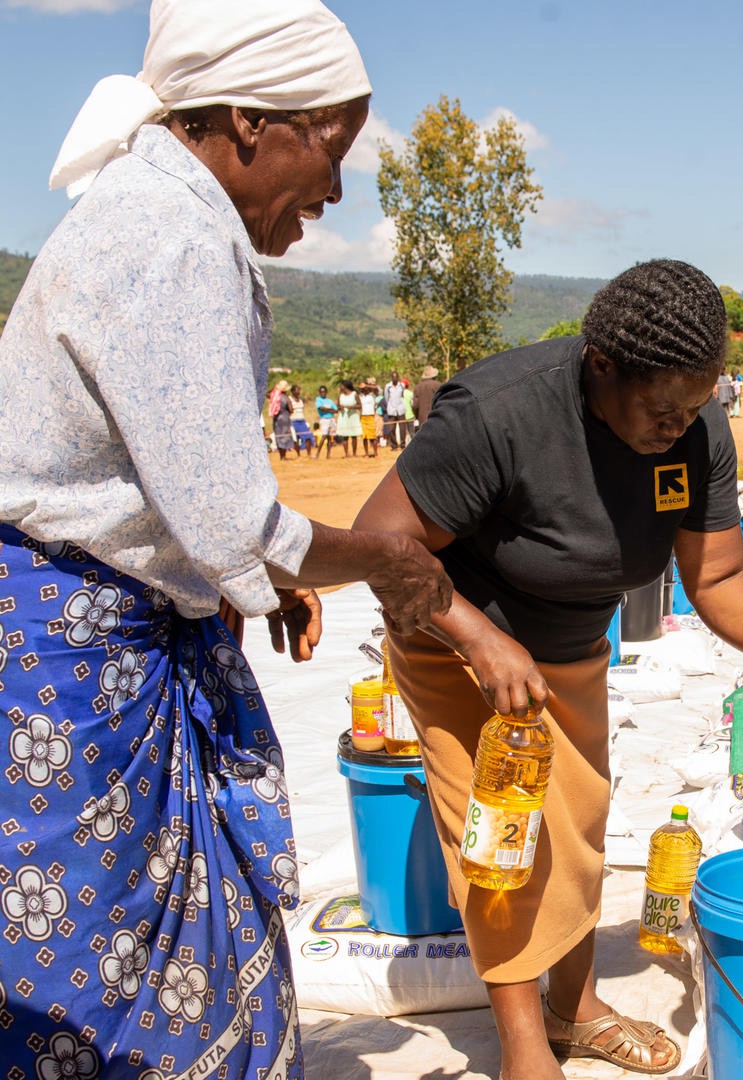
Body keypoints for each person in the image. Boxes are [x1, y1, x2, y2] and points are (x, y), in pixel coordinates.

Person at [0, 3, 454, 1075]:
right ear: (250, 120)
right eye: (331, 150)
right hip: (77, 672)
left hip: (106, 636)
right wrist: (376, 562)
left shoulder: (161, 215)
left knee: (161, 946)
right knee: (110, 976)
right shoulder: (169, 238)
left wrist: (258, 578)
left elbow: (190, 503)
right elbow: (234, 524)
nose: (336, 192)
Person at [353, 259, 743, 1080]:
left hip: (572, 646)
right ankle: (525, 1046)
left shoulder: (695, 434)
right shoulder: (500, 413)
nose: (680, 426)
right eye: (662, 408)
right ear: (602, 365)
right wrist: (481, 641)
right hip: (457, 641)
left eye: (695, 407)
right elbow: (380, 546)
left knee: (579, 826)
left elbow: (721, 579)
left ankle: (574, 1006)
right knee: (504, 836)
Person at [270, 377, 295, 458]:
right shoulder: (286, 398)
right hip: (285, 418)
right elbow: (291, 409)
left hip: (276, 418)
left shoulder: (275, 397)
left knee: (278, 435)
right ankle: (284, 456)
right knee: (285, 435)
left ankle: (281, 456)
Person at [336, 377, 361, 454]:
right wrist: (341, 408)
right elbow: (338, 406)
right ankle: (346, 453)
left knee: (354, 436)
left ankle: (354, 453)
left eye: (341, 385)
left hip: (353, 416)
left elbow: (359, 405)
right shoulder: (340, 396)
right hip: (344, 417)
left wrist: (351, 407)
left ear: (345, 386)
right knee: (345, 436)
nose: (340, 387)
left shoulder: (354, 395)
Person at [384, 368, 407, 450]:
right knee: (391, 428)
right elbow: (386, 398)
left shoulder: (402, 386)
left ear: (398, 377)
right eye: (393, 377)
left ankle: (403, 444)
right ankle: (394, 445)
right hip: (391, 410)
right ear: (391, 378)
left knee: (402, 428)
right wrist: (390, 405)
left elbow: (403, 396)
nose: (394, 378)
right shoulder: (388, 387)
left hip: (400, 409)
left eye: (396, 377)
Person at [315, 382, 338, 458]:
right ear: (319, 392)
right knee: (324, 436)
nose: (323, 393)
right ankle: (317, 454)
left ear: (326, 392)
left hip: (331, 419)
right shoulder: (318, 399)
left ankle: (328, 454)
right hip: (324, 419)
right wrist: (330, 410)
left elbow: (336, 410)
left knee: (330, 437)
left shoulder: (330, 401)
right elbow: (322, 409)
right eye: (321, 392)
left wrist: (327, 410)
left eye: (324, 392)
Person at [289, 382, 313, 453]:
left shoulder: (300, 400)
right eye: (297, 390)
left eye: (299, 390)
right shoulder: (289, 399)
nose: (298, 392)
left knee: (308, 437)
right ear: (293, 391)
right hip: (293, 421)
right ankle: (298, 454)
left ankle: (309, 454)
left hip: (302, 420)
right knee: (296, 438)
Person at [359, 375, 380, 456]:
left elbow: (377, 389)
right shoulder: (360, 396)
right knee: (364, 437)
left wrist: (366, 385)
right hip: (363, 417)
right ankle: (366, 453)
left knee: (372, 436)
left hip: (371, 417)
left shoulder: (372, 395)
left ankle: (375, 453)